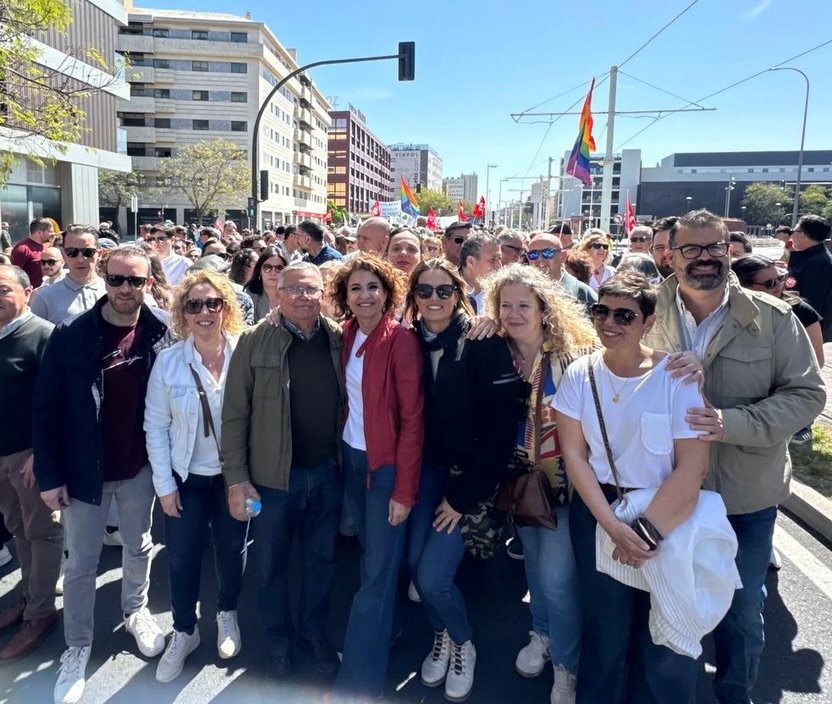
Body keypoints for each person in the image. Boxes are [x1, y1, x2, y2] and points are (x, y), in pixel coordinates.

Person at [643, 209, 825, 704]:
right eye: (691, 249)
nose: (704, 258)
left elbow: (808, 396)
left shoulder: (774, 318)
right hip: (667, 490)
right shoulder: (640, 313)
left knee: (741, 610)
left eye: (714, 248)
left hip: (743, 495)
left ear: (729, 250)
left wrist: (730, 424)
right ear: (670, 255)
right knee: (667, 603)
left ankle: (734, 695)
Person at [553, 272, 710, 704]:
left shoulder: (676, 376)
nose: (610, 323)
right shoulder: (579, 374)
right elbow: (575, 456)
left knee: (665, 631)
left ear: (648, 321)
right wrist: (611, 526)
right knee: (605, 628)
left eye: (625, 314)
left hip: (668, 514)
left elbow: (692, 465)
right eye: (601, 311)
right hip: (599, 508)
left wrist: (643, 532)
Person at [33, 246, 172, 704]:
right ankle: (77, 646)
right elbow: (47, 408)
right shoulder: (72, 333)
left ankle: (136, 611)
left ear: (148, 283)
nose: (126, 289)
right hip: (83, 470)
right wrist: (50, 475)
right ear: (103, 279)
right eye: (117, 280)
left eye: (135, 281)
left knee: (140, 545)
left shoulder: (160, 331)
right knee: (81, 565)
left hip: (138, 467)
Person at [404, 258, 527, 702]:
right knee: (417, 569)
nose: (434, 299)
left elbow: (498, 435)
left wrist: (461, 498)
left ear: (458, 294)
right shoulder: (410, 340)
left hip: (467, 480)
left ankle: (463, 641)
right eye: (424, 291)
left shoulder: (483, 341)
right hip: (424, 474)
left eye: (443, 291)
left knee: (434, 577)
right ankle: (442, 634)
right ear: (413, 298)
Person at [222, 262, 344, 680]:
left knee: (320, 563)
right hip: (273, 481)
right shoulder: (254, 341)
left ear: (324, 292)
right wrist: (237, 479)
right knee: (271, 567)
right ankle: (277, 641)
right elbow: (235, 415)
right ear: (277, 292)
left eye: (312, 290)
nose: (304, 297)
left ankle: (313, 633)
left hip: (327, 473)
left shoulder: (339, 338)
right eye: (295, 290)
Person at [485, 264, 596, 704]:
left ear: (544, 309)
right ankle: (543, 634)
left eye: (523, 305)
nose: (513, 314)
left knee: (556, 578)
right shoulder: (496, 351)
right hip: (518, 481)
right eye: (505, 305)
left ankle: (567, 666)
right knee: (533, 565)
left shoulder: (573, 357)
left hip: (564, 484)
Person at [144, 270, 248, 682]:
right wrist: (164, 487)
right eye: (194, 305)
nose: (204, 312)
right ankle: (184, 629)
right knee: (182, 557)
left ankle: (226, 614)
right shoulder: (169, 362)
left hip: (236, 479)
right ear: (182, 313)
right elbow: (155, 426)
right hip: (186, 480)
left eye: (212, 303)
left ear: (226, 306)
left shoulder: (247, 352)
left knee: (232, 549)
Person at [329, 255, 424, 699]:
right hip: (352, 461)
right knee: (375, 559)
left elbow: (413, 420)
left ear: (387, 293)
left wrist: (404, 489)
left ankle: (359, 684)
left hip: (385, 469)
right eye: (355, 288)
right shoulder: (346, 335)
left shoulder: (400, 341)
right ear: (345, 298)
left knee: (376, 573)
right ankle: (386, 631)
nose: (364, 295)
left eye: (373, 287)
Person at [0, 265, 63, 661]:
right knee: (17, 527)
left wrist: (44, 453)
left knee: (42, 532)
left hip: (29, 455)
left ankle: (40, 614)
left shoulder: (45, 336)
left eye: (3, 289)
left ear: (28, 292)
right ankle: (29, 595)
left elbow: (59, 401)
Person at [731, 254, 824, 445]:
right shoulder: (728, 312)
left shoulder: (800, 311)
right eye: (771, 282)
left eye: (781, 278)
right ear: (743, 286)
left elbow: (816, 362)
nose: (780, 285)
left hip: (775, 402)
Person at [30, 225, 106, 325]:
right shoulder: (44, 297)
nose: (80, 259)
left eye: (88, 252)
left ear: (99, 254)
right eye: (72, 252)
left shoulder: (114, 290)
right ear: (63, 255)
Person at [786, 214, 832, 341]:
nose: (791, 235)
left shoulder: (820, 263)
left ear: (802, 234)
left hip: (805, 331)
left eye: (793, 231)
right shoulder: (810, 257)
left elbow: (811, 303)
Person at [526, 233, 597, 307]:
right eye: (533, 254)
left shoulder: (583, 294)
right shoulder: (520, 291)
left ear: (563, 256)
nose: (540, 259)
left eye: (548, 253)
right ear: (528, 258)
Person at [459, 234, 502, 313]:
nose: (499, 265)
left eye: (499, 258)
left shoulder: (500, 295)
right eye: (493, 259)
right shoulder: (450, 293)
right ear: (471, 261)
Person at [244, 244, 288, 320]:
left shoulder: (292, 295)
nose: (273, 273)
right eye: (267, 268)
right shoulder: (249, 296)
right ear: (260, 270)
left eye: (279, 268)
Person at [11, 217, 54, 289]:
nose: (52, 234)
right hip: (30, 296)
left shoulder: (46, 247)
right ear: (40, 232)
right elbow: (13, 276)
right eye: (50, 231)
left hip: (47, 293)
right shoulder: (22, 249)